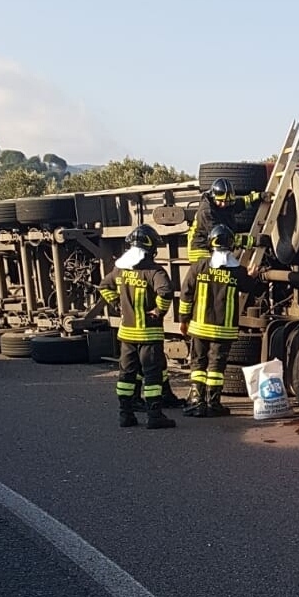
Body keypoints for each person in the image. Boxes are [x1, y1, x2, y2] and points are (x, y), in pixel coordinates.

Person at [98, 224, 176, 430]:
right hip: (149, 335)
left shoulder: (120, 269)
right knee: (152, 376)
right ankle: (155, 416)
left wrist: (116, 304)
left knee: (126, 375)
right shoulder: (154, 271)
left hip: (127, 335)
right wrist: (159, 312)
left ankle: (126, 415)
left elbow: (104, 286)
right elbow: (166, 292)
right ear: (150, 248)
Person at [179, 224, 257, 417]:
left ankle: (197, 401)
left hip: (199, 327)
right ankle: (213, 402)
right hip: (224, 329)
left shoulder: (199, 267)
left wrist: (183, 320)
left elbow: (186, 295)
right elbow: (253, 289)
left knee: (198, 363)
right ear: (231, 245)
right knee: (217, 366)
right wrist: (253, 276)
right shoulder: (237, 271)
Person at [186, 178, 269, 262]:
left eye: (227, 201)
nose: (224, 204)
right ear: (213, 197)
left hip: (213, 248)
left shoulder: (225, 204)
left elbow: (242, 203)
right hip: (200, 251)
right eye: (221, 201)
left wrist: (259, 196)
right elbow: (222, 237)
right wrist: (253, 241)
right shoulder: (206, 212)